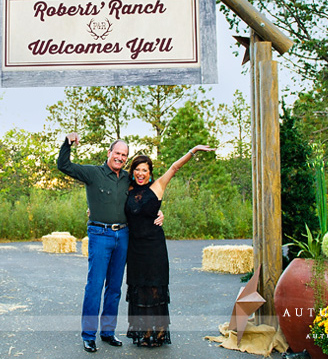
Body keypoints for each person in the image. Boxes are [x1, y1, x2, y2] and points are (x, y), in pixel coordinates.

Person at [57, 132, 163, 353]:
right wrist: (67, 142)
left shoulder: (127, 178)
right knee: (94, 286)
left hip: (123, 236)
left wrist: (159, 211)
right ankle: (88, 335)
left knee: (114, 287)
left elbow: (147, 193)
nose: (120, 158)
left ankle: (107, 332)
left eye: (124, 155)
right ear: (109, 153)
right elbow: (63, 165)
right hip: (99, 234)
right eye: (117, 153)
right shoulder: (93, 173)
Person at [124, 145, 214, 347]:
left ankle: (159, 332)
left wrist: (193, 150)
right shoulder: (126, 189)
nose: (140, 173)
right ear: (133, 171)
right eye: (137, 169)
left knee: (155, 287)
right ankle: (144, 332)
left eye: (144, 170)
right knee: (140, 287)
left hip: (154, 247)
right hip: (135, 248)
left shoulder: (158, 186)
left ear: (150, 172)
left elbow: (174, 167)